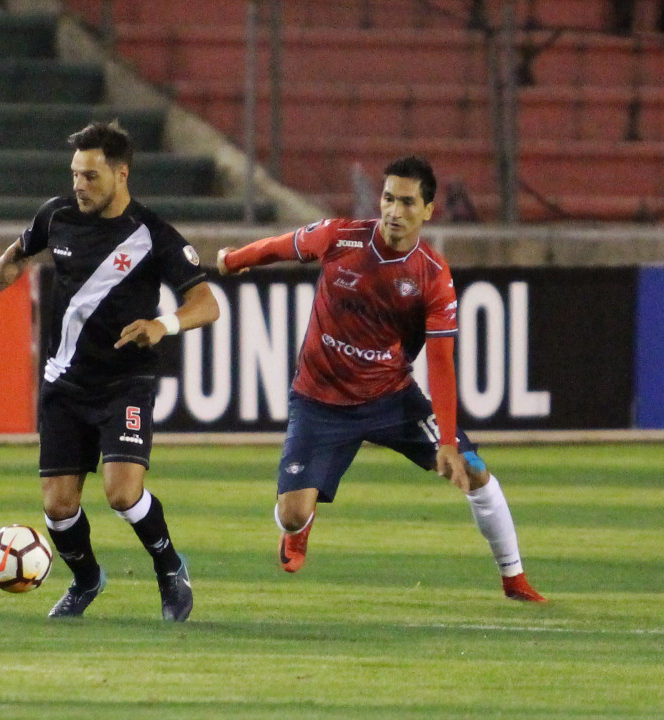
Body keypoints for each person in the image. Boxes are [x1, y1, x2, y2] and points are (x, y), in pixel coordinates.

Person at [217, 155, 547, 603]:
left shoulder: (433, 276)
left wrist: (448, 440)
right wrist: (235, 259)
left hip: (392, 399)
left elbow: (442, 362)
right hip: (319, 400)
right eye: (388, 198)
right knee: (292, 514)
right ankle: (299, 529)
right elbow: (283, 245)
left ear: (428, 210)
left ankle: (514, 580)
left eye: (407, 202)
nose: (394, 210)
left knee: (475, 470)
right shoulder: (340, 237)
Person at [0, 120, 219, 621]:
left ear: (122, 175)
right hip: (65, 381)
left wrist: (162, 325)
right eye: (75, 174)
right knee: (58, 508)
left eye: (91, 176)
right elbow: (17, 255)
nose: (79, 185)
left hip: (125, 382)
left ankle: (169, 568)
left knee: (122, 493)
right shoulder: (57, 216)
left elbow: (206, 304)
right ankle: (85, 580)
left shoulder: (153, 235)